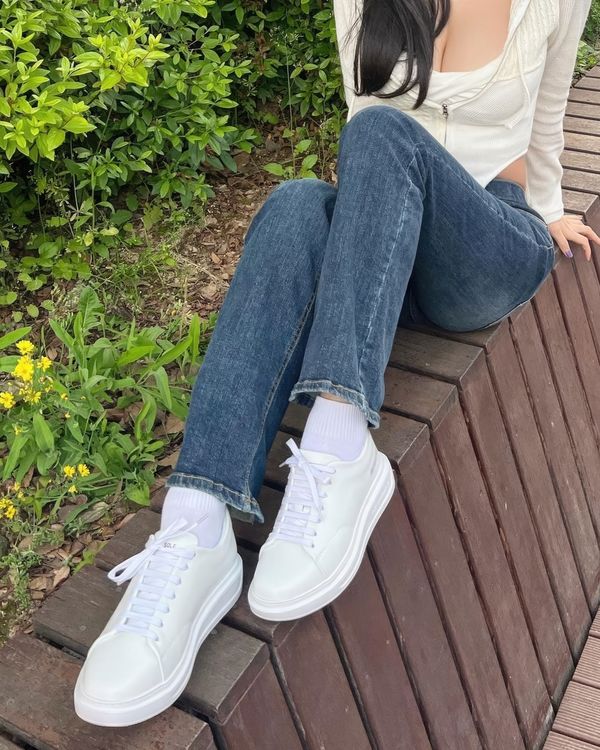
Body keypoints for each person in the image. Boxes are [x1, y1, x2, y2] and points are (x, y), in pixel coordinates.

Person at [74, 0, 599, 727]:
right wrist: (350, 244)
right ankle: (196, 530)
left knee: (382, 130)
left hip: (488, 240)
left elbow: (546, 114)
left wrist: (551, 205)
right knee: (296, 203)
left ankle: (339, 440)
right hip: (394, 245)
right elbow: (362, 133)